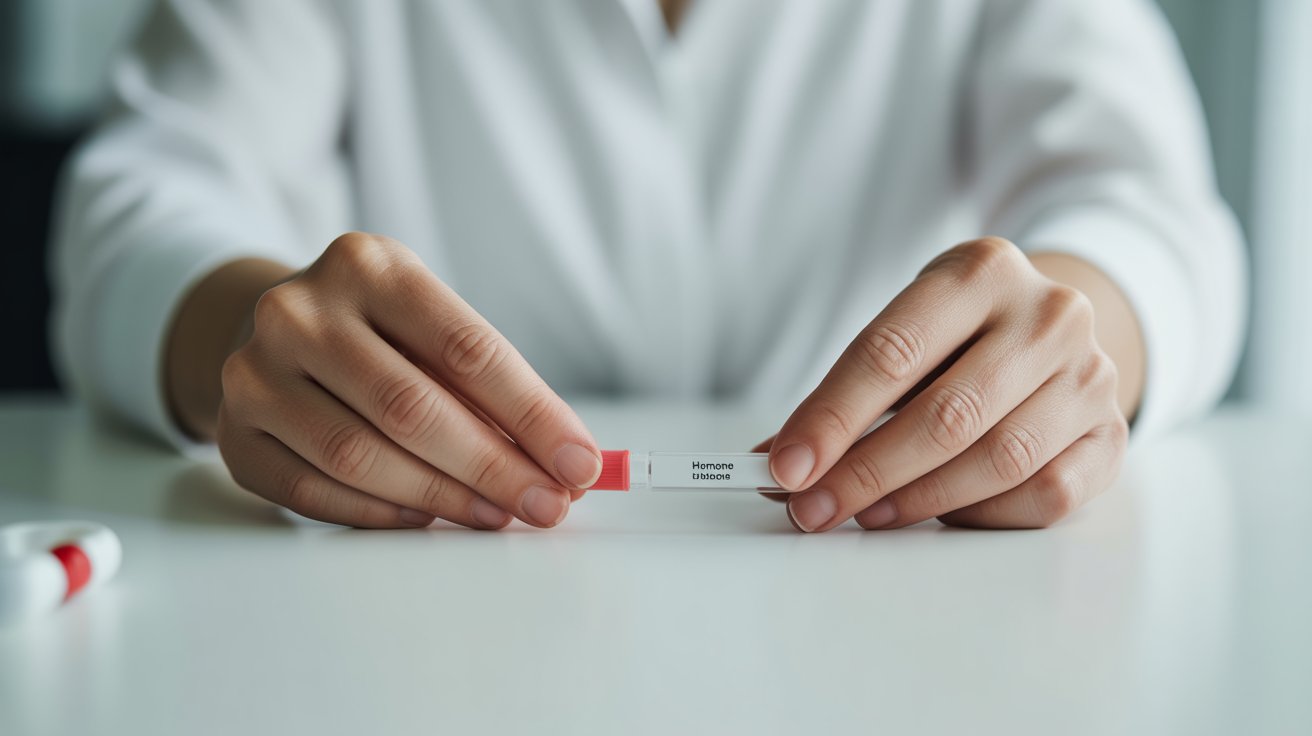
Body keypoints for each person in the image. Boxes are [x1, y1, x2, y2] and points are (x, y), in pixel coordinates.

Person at [51, 0, 1245, 533]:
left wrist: (1080, 344)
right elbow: (145, 193)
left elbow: (1156, 213)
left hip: (890, 607)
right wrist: (245, 339)